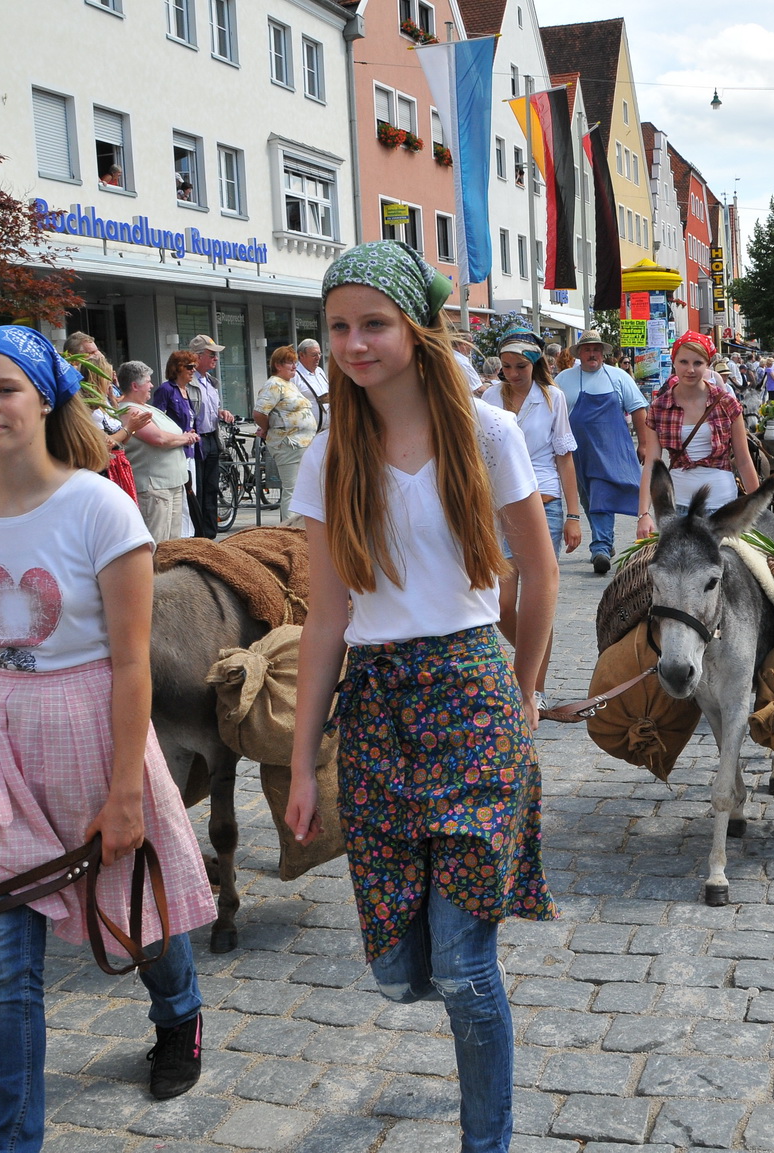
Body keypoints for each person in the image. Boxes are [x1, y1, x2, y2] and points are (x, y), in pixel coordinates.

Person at [283, 240, 559, 1153]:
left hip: (472, 695)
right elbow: (325, 617)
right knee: (403, 970)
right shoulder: (328, 454)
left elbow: (538, 571)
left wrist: (524, 691)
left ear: (415, 328)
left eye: (373, 323)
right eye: (338, 327)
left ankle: (489, 1140)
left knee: (465, 968)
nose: (353, 343)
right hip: (377, 711)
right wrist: (301, 763)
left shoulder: (489, 433)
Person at [0, 326, 215, 1149]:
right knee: (0, 966)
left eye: (6, 389)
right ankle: (6, 1139)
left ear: (47, 397)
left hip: (93, 730)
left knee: (137, 911)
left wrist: (125, 792)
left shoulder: (99, 506)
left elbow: (131, 662)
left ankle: (179, 1011)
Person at [483, 328, 581, 707]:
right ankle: (528, 658)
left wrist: (574, 514)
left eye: (520, 366)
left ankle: (533, 689)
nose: (512, 373)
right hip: (500, 504)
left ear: (536, 363)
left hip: (545, 500)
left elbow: (564, 457)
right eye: (506, 366)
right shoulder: (491, 396)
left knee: (538, 598)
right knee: (502, 604)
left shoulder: (552, 397)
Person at [553, 330, 655, 574]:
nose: (592, 354)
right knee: (587, 497)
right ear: (579, 354)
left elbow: (638, 409)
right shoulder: (564, 379)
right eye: (587, 350)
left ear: (602, 353)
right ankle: (604, 540)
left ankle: (600, 547)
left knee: (601, 491)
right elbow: (552, 412)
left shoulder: (618, 377)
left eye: (596, 350)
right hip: (578, 451)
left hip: (612, 448)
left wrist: (643, 443)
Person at [642, 332, 759, 517]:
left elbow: (743, 461)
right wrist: (643, 514)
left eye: (698, 363)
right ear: (674, 362)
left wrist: (758, 512)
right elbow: (651, 465)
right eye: (684, 362)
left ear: (707, 365)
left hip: (722, 506)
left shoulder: (726, 403)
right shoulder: (660, 407)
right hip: (677, 507)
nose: (690, 369)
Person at [120, 359, 202, 541]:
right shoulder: (129, 410)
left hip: (171, 484)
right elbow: (158, 439)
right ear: (135, 386)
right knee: (157, 540)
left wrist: (181, 437)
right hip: (155, 488)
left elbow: (165, 436)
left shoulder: (146, 407)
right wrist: (186, 438)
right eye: (148, 381)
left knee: (172, 544)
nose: (152, 385)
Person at [254, 345, 318, 522]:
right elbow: (259, 413)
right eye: (290, 363)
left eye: (295, 362)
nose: (294, 366)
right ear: (278, 365)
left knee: (301, 490)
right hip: (288, 443)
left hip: (303, 444)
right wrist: (268, 428)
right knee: (292, 489)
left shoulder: (289, 384)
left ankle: (299, 527)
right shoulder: (274, 384)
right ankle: (289, 529)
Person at [184, 335, 235, 540]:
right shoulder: (188, 381)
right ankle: (199, 535)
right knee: (198, 488)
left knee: (212, 488)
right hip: (197, 440)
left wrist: (222, 412)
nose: (216, 358)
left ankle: (210, 534)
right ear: (198, 357)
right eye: (211, 354)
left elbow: (210, 408)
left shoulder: (211, 381)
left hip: (212, 437)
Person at [293, 338, 330, 431]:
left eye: (319, 354)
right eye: (314, 355)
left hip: (326, 430)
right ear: (301, 355)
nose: (318, 358)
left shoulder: (320, 371)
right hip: (306, 433)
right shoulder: (294, 375)